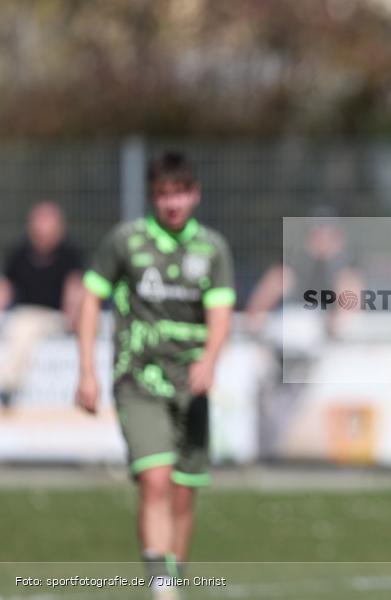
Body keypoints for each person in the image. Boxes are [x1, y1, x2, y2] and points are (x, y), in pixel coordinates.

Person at [75, 152, 235, 600]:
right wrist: (86, 369)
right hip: (138, 377)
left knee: (184, 493)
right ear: (152, 196)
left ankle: (174, 581)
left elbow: (221, 314)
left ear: (196, 194)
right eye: (164, 194)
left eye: (181, 193)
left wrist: (210, 360)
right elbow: (90, 299)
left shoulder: (212, 249)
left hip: (193, 384)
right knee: (156, 478)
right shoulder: (125, 242)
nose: (173, 203)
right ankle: (162, 589)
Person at [0, 201, 83, 409]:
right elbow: (5, 289)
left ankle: (6, 387)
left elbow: (75, 292)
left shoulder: (69, 255)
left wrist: (75, 318)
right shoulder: (20, 253)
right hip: (24, 315)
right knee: (22, 323)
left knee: (24, 326)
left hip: (54, 318)